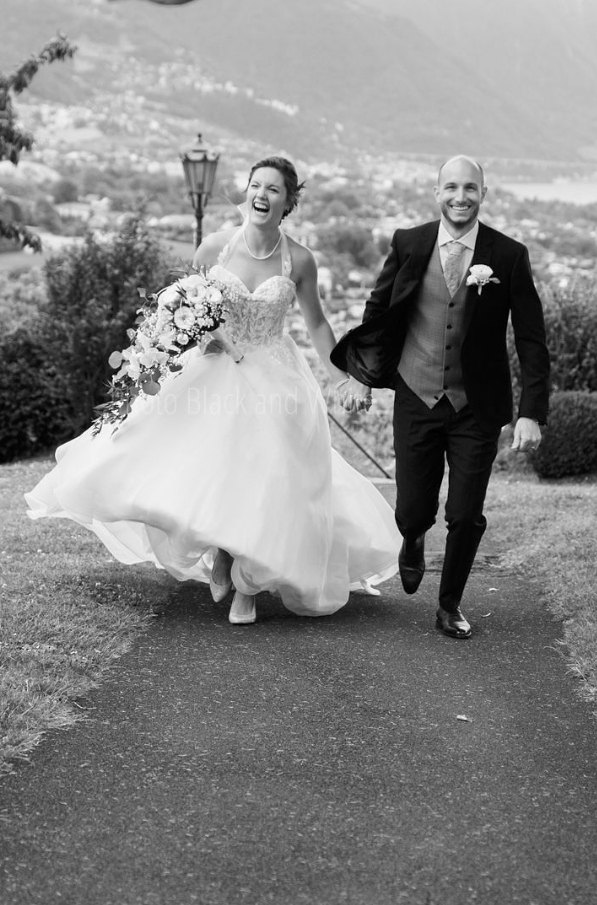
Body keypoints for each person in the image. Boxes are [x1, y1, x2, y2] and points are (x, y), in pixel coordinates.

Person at [25, 156, 400, 625]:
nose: (262, 195)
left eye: (274, 190)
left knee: (267, 473)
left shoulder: (299, 259)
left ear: (288, 202)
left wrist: (344, 374)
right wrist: (191, 341)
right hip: (216, 370)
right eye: (255, 186)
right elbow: (186, 312)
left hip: (275, 374)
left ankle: (245, 584)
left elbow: (318, 325)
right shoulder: (214, 249)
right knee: (219, 466)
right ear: (246, 192)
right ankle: (225, 557)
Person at [331, 155, 550, 639]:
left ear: (483, 195)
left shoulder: (508, 255)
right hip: (416, 393)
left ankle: (449, 604)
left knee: (466, 513)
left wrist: (531, 412)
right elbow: (379, 310)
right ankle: (411, 538)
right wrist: (361, 375)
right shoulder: (409, 243)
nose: (461, 197)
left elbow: (532, 340)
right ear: (436, 192)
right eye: (451, 187)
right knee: (412, 508)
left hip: (477, 405)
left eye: (470, 188)